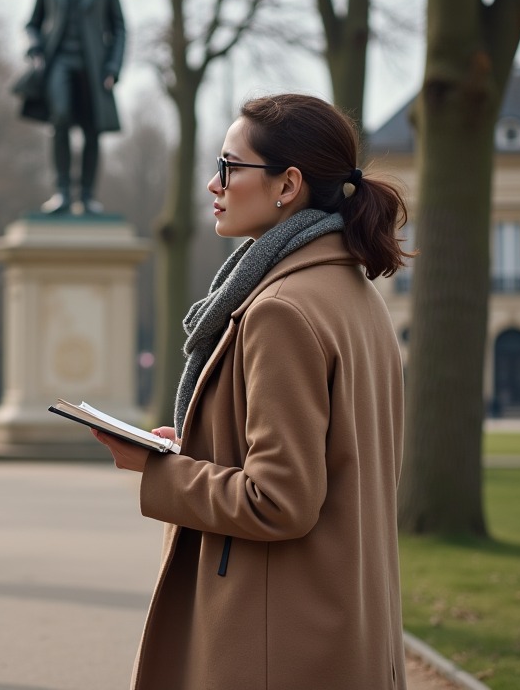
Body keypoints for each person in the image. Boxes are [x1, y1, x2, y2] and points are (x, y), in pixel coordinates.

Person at [91, 94, 410, 687]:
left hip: (274, 640)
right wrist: (191, 450)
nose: (214, 183)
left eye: (230, 167)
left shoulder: (281, 311)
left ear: (287, 185)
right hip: (336, 624)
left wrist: (157, 471)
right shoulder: (356, 297)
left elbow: (279, 498)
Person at [20, 0, 126, 215]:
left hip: (94, 67)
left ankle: (88, 195)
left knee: (93, 129)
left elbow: (119, 27)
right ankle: (63, 191)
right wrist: (35, 49)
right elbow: (32, 23)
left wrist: (113, 66)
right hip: (58, 63)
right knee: (61, 119)